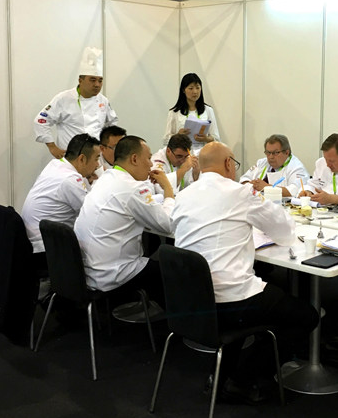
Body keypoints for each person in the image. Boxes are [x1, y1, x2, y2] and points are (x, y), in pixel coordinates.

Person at [172, 142, 318, 403]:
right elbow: (285, 233)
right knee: (306, 315)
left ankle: (223, 374)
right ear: (229, 164)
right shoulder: (240, 193)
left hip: (191, 301)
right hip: (230, 300)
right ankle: (242, 378)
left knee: (260, 292)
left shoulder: (184, 195)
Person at [74, 136, 175, 307]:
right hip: (112, 275)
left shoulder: (106, 178)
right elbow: (167, 225)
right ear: (134, 159)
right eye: (148, 158)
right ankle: (172, 320)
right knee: (173, 271)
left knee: (152, 251)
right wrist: (168, 190)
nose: (151, 164)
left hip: (88, 272)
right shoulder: (132, 188)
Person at [22, 133, 100, 257]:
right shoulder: (70, 179)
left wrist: (86, 181)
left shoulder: (54, 165)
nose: (98, 165)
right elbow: (94, 215)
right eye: (96, 159)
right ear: (82, 159)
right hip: (48, 251)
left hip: (34, 244)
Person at [34, 47, 118, 159]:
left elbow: (112, 124)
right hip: (70, 158)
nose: (97, 85)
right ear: (80, 80)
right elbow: (41, 121)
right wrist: (52, 147)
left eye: (100, 80)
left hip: (96, 159)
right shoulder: (63, 99)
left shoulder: (103, 101)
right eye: (92, 80)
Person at [163, 73, 220, 153]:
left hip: (203, 154)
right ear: (183, 90)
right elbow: (165, 140)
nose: (195, 92)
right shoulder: (174, 112)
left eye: (198, 88)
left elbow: (216, 138)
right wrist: (178, 135)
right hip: (182, 154)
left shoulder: (208, 110)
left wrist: (206, 139)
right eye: (191, 88)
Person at [240, 134, 309, 197]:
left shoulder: (297, 167)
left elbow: (295, 191)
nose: (271, 157)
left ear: (286, 152)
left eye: (276, 153)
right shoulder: (261, 163)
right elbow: (243, 180)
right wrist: (252, 185)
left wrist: (266, 188)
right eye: (268, 152)